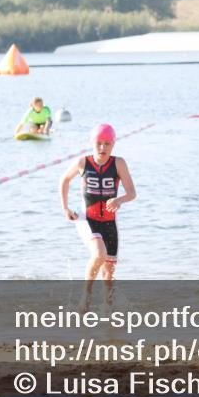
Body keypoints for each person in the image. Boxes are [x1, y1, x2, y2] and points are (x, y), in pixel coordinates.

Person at [59, 124, 136, 312]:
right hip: (87, 218)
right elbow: (64, 180)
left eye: (107, 144)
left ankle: (107, 312)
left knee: (109, 272)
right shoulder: (82, 163)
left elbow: (132, 193)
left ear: (113, 144)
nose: (103, 148)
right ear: (92, 143)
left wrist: (120, 200)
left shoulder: (119, 164)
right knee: (99, 254)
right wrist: (65, 208)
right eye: (99, 143)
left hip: (110, 222)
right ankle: (85, 296)